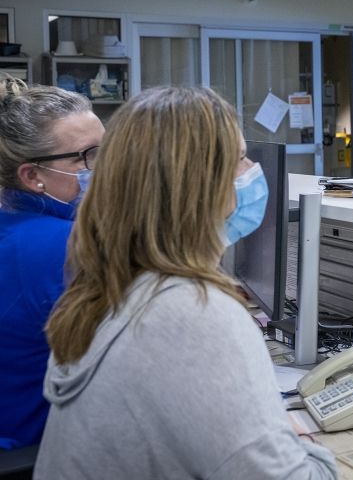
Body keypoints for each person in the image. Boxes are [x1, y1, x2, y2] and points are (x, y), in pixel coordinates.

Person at [34, 87, 337, 479]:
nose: (251, 172)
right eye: (241, 158)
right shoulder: (194, 312)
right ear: (202, 187)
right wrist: (299, 440)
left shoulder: (105, 287)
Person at [0, 77, 104, 450]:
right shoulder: (60, 246)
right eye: (87, 156)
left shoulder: (12, 221)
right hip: (40, 452)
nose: (104, 167)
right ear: (33, 176)